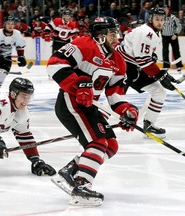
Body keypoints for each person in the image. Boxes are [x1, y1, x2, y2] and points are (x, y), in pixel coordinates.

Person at [47, 17, 138, 206]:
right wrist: (78, 84)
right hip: (70, 102)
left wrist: (126, 110)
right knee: (97, 142)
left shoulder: (118, 61)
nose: (117, 38)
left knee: (111, 144)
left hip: (91, 106)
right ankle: (81, 186)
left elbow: (115, 94)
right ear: (100, 35)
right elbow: (55, 64)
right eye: (112, 34)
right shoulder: (83, 45)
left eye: (117, 34)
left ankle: (70, 171)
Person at [116, 7, 176, 138]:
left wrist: (159, 70)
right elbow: (142, 59)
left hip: (135, 66)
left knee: (159, 91)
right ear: (151, 19)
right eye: (157, 19)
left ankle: (149, 125)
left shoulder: (153, 32)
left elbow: (144, 56)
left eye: (162, 20)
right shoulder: (147, 33)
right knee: (116, 98)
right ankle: (96, 123)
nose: (159, 22)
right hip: (123, 65)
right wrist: (161, 75)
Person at [161, 5, 183, 72]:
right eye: (164, 9)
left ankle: (179, 65)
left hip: (172, 36)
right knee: (165, 51)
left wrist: (176, 34)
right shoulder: (161, 17)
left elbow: (179, 26)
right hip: (164, 36)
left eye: (166, 9)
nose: (165, 10)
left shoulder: (173, 17)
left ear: (169, 10)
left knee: (176, 51)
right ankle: (166, 66)